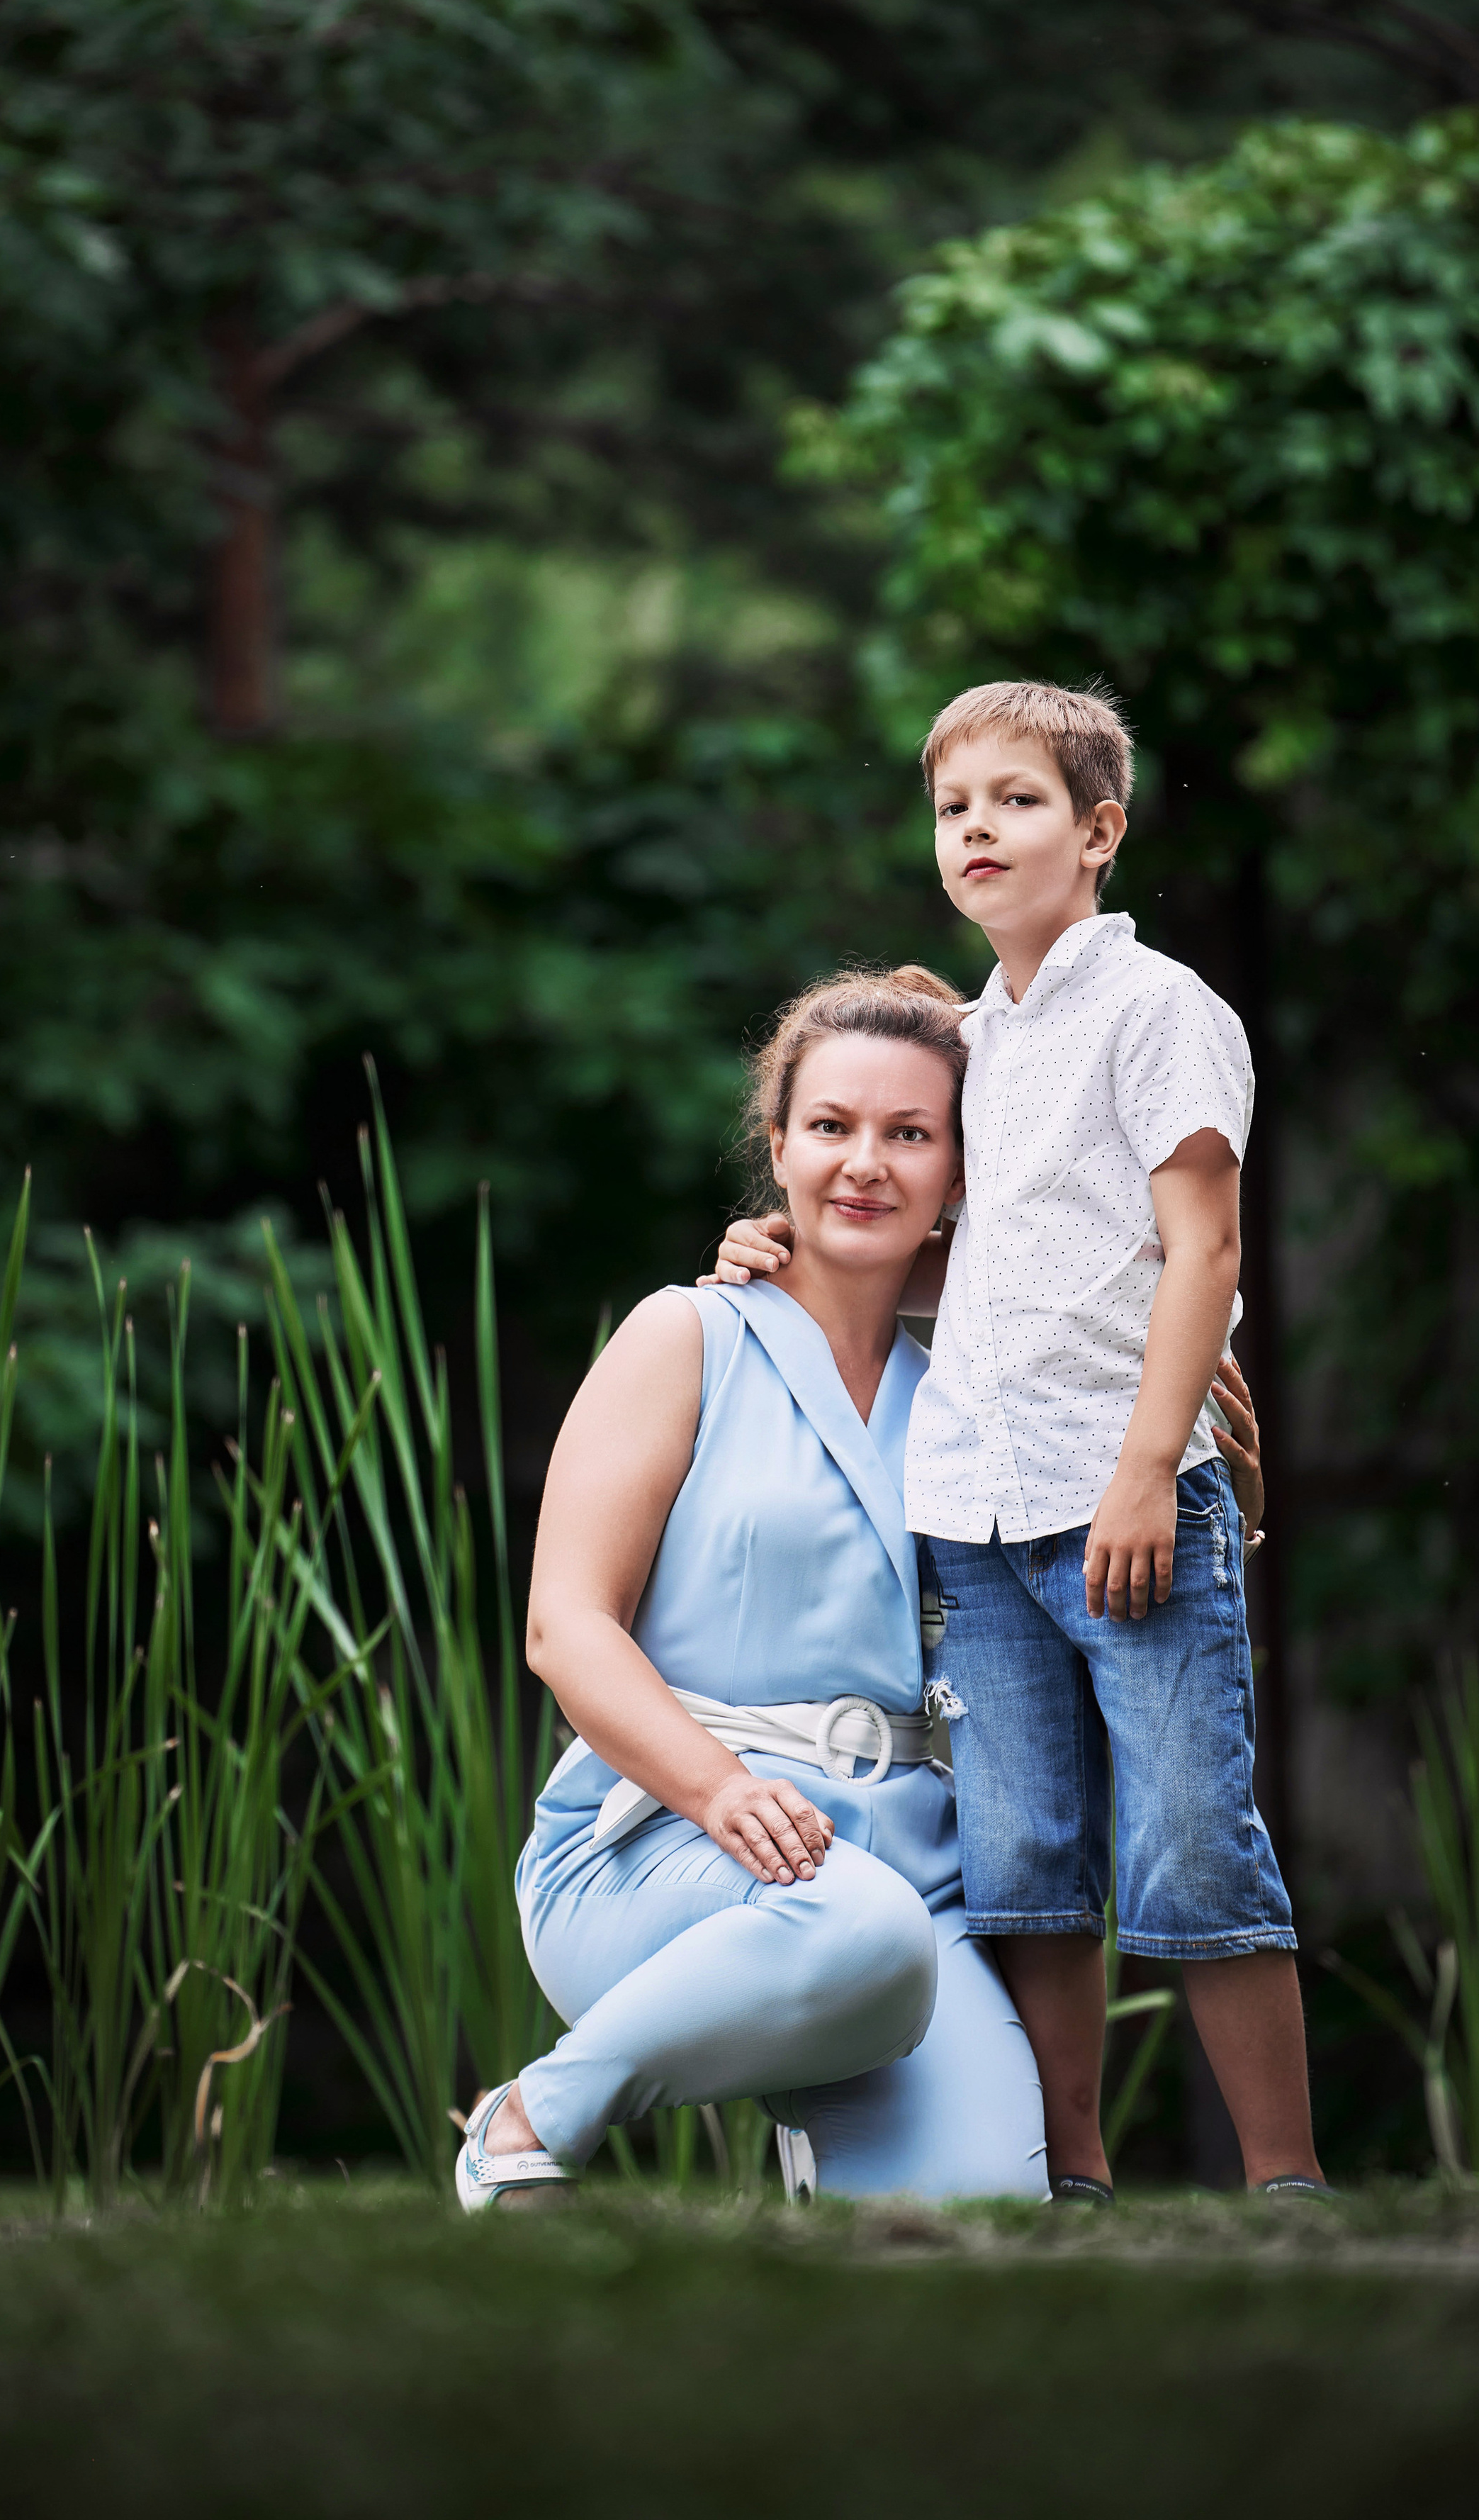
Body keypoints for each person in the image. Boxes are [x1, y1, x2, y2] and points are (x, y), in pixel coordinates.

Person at [712, 681, 1326, 2201]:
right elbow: (975, 1267)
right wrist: (778, 1251)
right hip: (972, 1525)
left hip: (1127, 1504)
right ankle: (1073, 2179)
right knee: (1022, 1859)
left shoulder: (1159, 1011)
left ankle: (1286, 2184)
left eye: (1017, 800)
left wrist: (1147, 1465)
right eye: (952, 807)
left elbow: (1204, 1251)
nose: (976, 828)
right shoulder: (973, 1041)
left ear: (1099, 831)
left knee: (1192, 1841)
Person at [455, 968, 1053, 2209]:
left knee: (985, 2215)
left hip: (911, 1883)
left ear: (959, 1170)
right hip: (660, 1845)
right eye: (831, 1125)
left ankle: (818, 2135)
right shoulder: (686, 1336)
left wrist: (1227, 1491)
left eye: (911, 1133)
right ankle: (527, 2120)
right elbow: (565, 1626)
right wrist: (718, 1788)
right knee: (859, 1928)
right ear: (777, 1148)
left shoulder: (973, 1394)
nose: (865, 1162)